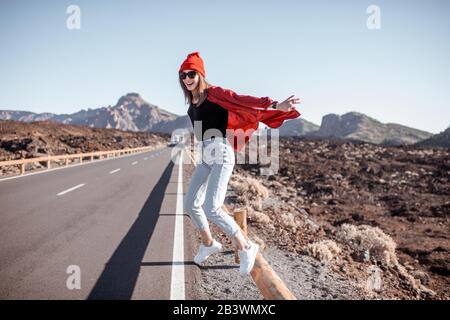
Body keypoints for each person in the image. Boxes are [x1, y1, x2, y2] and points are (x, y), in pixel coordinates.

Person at [179, 52, 301, 275]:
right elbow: (201, 135)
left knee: (212, 207)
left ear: (200, 74)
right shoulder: (191, 106)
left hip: (222, 153)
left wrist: (274, 104)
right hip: (206, 155)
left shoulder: (213, 93)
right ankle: (209, 244)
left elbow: (241, 99)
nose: (187, 78)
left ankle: (246, 247)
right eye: (183, 74)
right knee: (190, 205)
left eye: (191, 73)